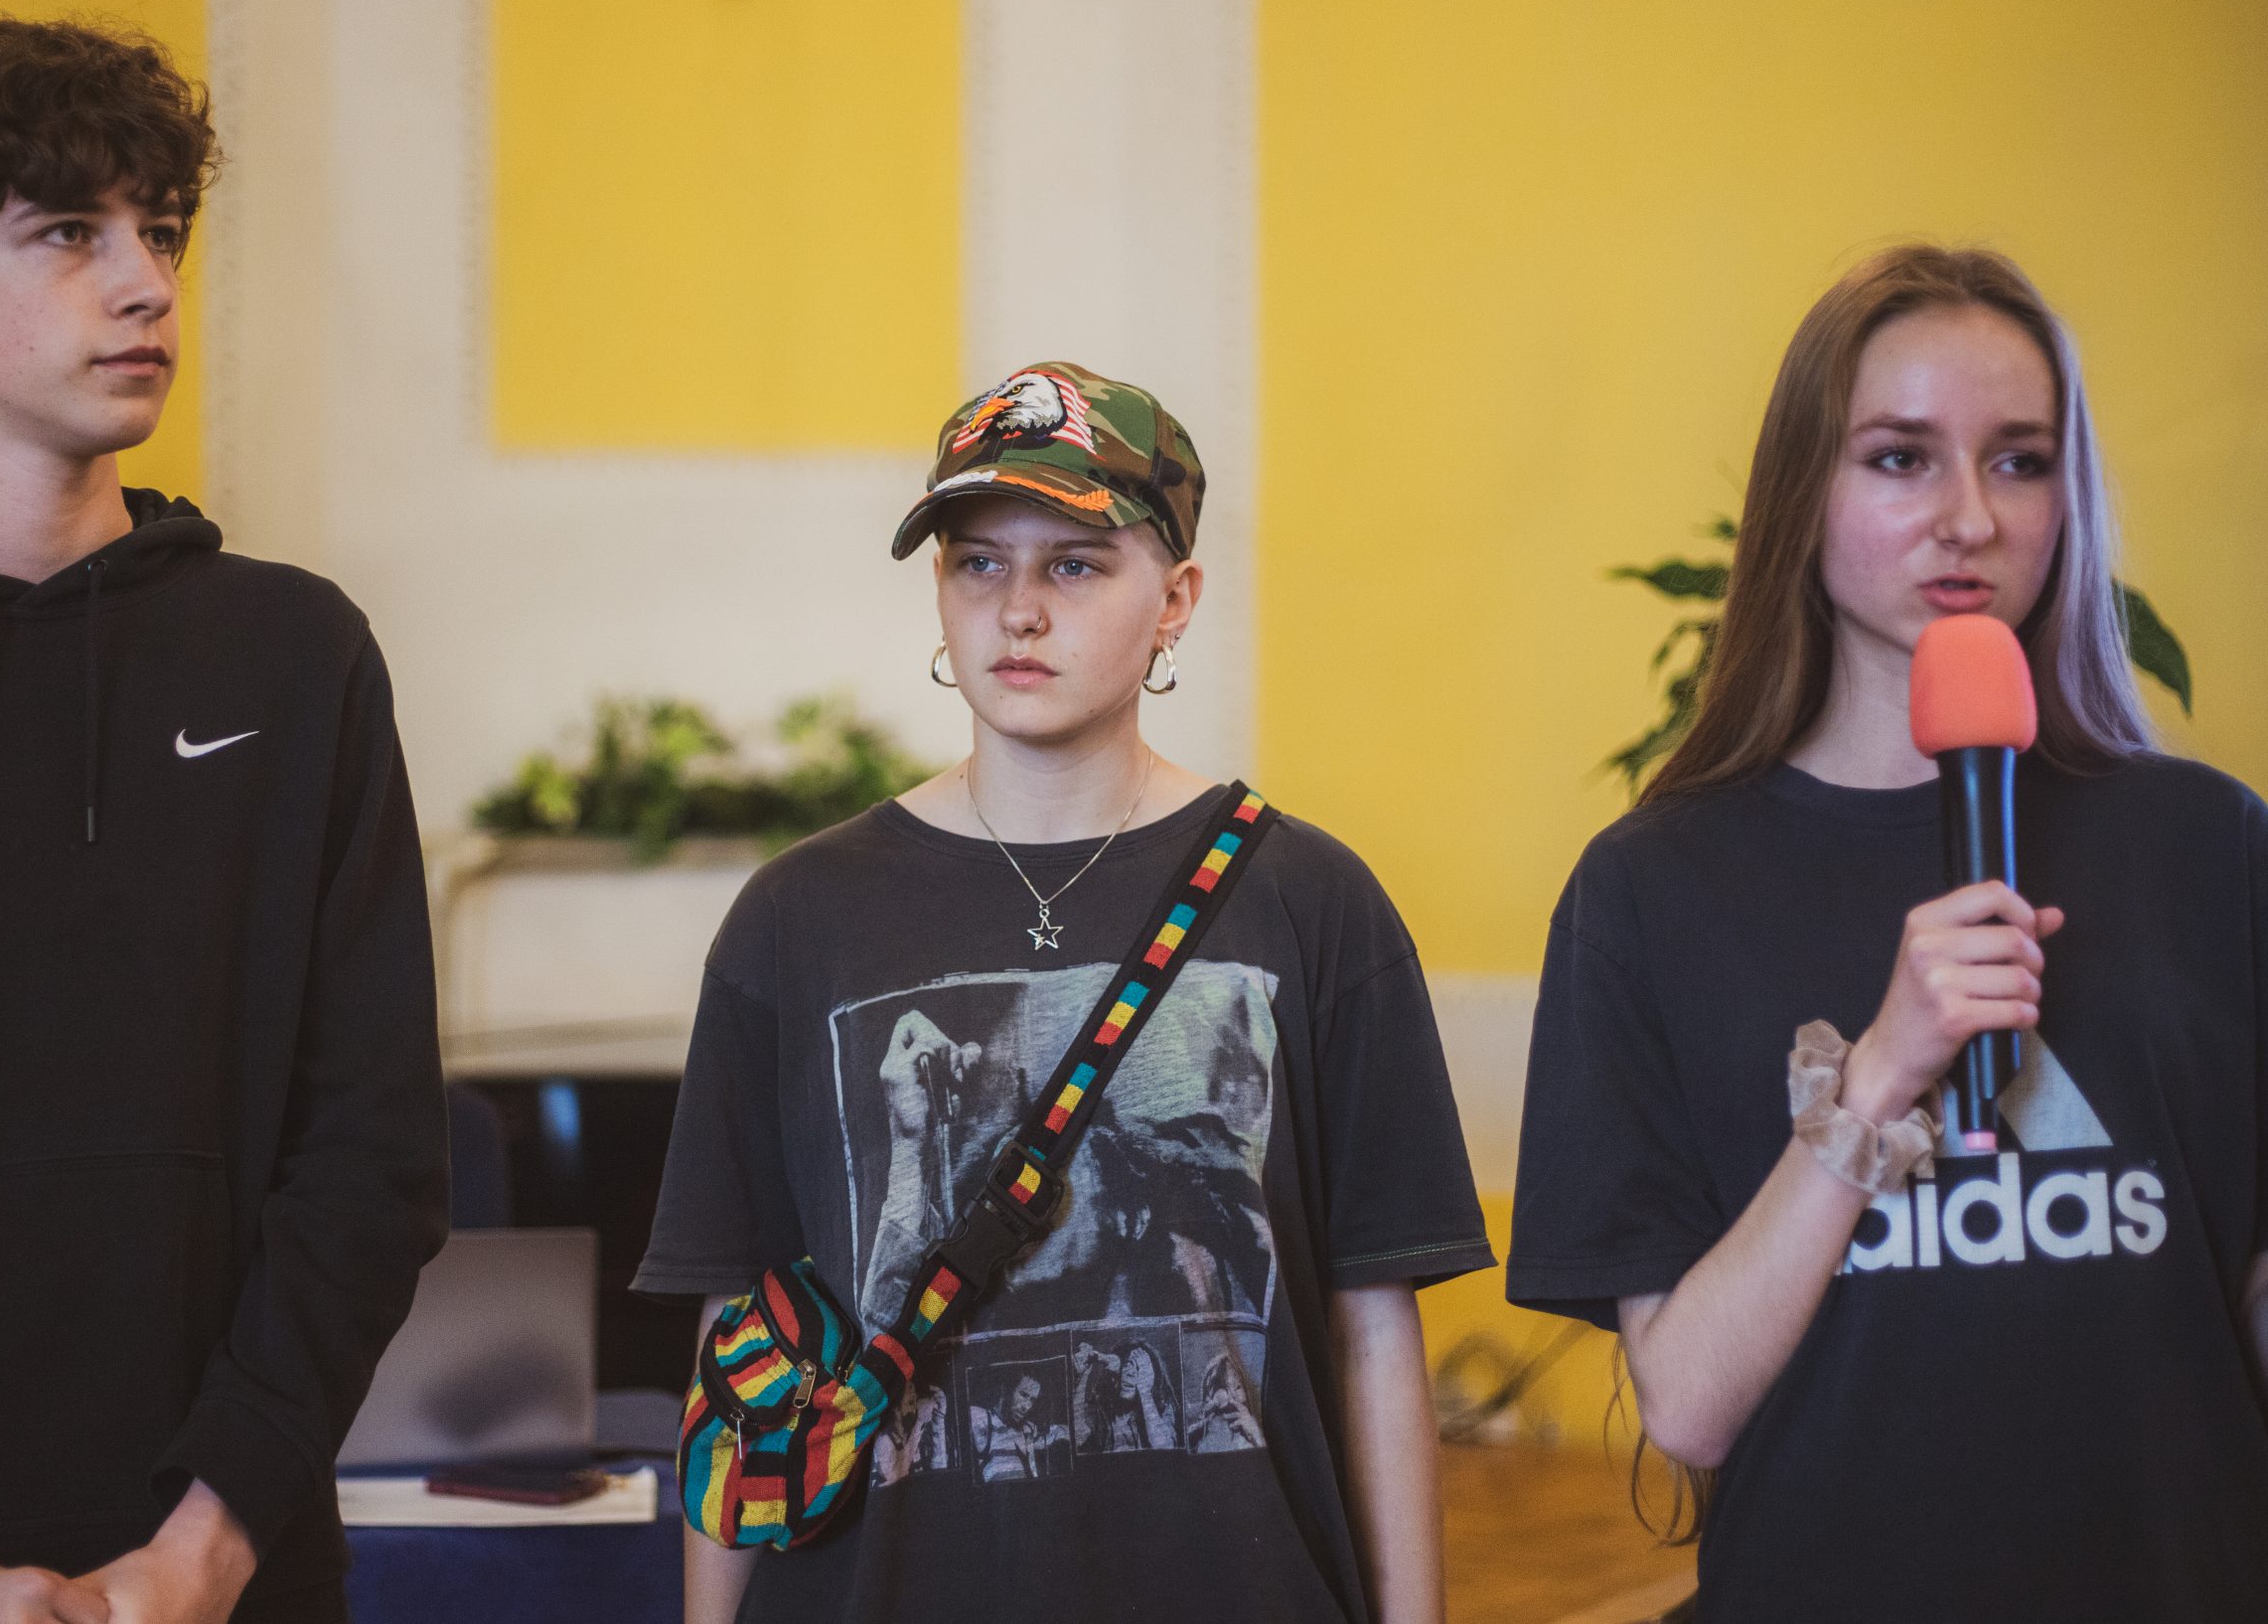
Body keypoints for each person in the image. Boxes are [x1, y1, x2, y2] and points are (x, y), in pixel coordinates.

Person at [0, 20, 449, 1624]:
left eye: (162, 232)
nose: (146, 286)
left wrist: (208, 1545)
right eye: (69, 233)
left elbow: (373, 1155)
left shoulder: (296, 653)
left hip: (221, 1577)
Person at [639, 362, 1490, 1624]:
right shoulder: (796, 918)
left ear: (1176, 599)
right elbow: (738, 1341)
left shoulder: (1312, 904)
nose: (1019, 610)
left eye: (1076, 566)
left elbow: (1371, 1328)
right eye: (978, 563)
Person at [1507, 245, 2268, 1621]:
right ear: (1804, 491)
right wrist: (1873, 1081)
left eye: (2020, 461)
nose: (1969, 517)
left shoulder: (2210, 844)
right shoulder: (1653, 889)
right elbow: (1685, 1406)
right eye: (1901, 458)